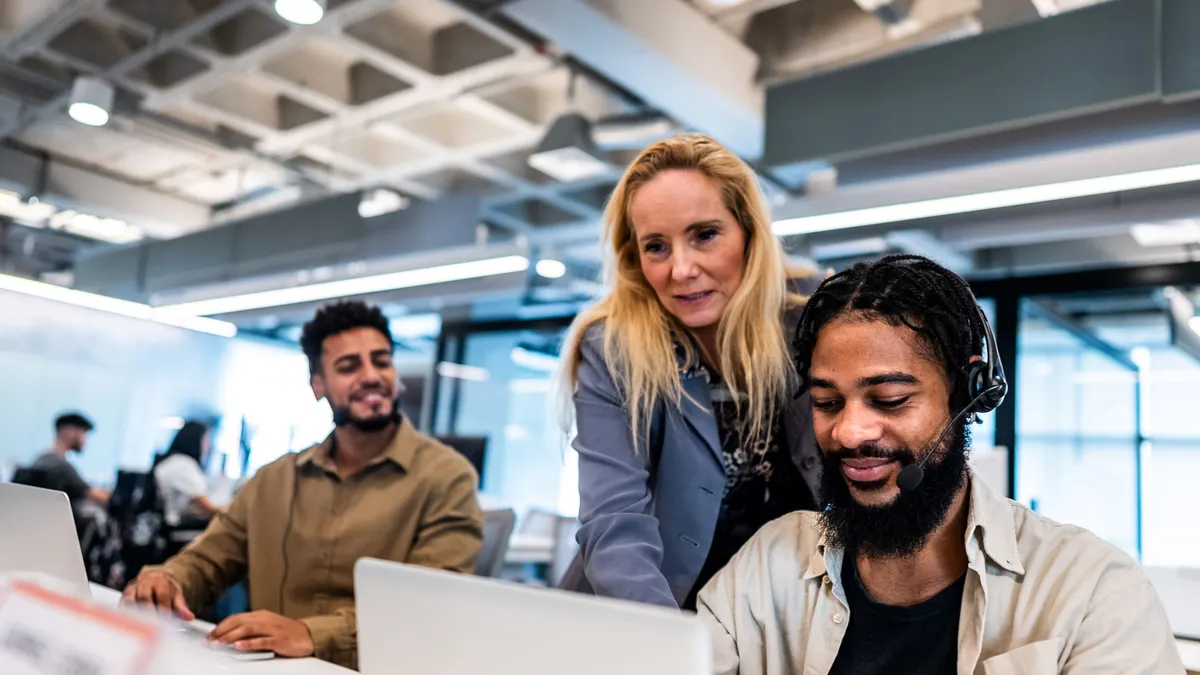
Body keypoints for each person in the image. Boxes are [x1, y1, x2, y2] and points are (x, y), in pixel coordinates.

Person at [697, 255, 1183, 675]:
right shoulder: (763, 570)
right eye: (827, 403)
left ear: (963, 396)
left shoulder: (1091, 592)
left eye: (889, 400)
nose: (849, 432)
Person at [123, 300, 484, 669]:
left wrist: (312, 634)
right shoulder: (273, 479)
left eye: (382, 360)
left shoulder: (446, 477)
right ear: (318, 385)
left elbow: (430, 608)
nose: (371, 375)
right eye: (348, 366)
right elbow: (208, 560)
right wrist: (168, 581)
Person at [559, 133, 823, 610]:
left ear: (748, 233)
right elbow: (614, 520)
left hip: (779, 614)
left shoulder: (812, 319)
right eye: (656, 246)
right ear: (634, 257)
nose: (681, 269)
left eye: (704, 235)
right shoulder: (613, 348)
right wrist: (664, 648)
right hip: (642, 612)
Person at [152, 421, 225, 557]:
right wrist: (235, 513)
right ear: (196, 440)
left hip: (164, 529)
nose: (208, 447)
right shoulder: (183, 465)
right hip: (173, 531)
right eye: (206, 440)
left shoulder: (172, 461)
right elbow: (206, 507)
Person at [30, 413, 110, 512]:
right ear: (69, 431)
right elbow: (96, 496)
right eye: (83, 432)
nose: (85, 440)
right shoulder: (61, 466)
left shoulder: (41, 460)